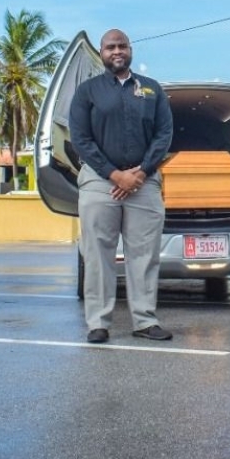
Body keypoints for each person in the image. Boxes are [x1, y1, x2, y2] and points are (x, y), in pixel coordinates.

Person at [70, 28, 174, 344]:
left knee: (144, 254)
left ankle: (144, 320)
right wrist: (115, 175)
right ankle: (98, 323)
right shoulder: (87, 91)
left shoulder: (152, 90)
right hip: (100, 184)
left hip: (144, 183)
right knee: (97, 253)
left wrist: (140, 173)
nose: (117, 51)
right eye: (111, 47)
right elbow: (81, 139)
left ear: (131, 50)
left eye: (122, 46)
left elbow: (164, 135)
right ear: (101, 53)